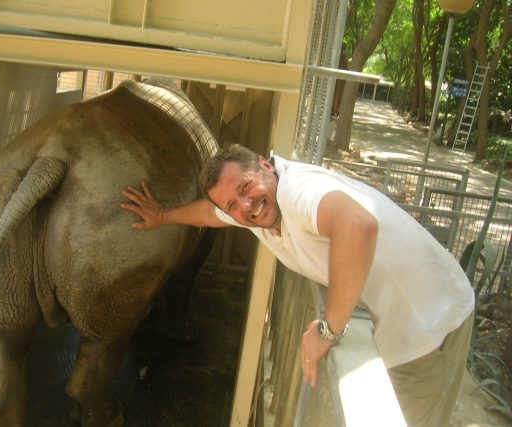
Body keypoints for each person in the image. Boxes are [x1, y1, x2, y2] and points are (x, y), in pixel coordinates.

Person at [121, 144, 474, 427]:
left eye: (246, 187)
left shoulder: (298, 190)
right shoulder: (247, 206)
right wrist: (163, 216)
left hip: (430, 321)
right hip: (393, 318)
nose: (246, 206)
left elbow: (358, 226)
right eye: (233, 204)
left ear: (265, 164)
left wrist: (329, 328)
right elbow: (208, 214)